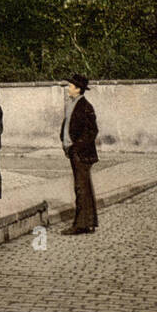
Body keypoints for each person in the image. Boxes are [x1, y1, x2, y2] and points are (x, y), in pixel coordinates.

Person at [60, 73, 99, 234]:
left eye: (71, 86)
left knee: (81, 188)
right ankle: (88, 222)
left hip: (81, 154)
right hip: (75, 152)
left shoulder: (84, 106)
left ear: (78, 89)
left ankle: (80, 225)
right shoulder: (73, 104)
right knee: (84, 187)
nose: (68, 88)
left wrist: (76, 147)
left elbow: (92, 131)